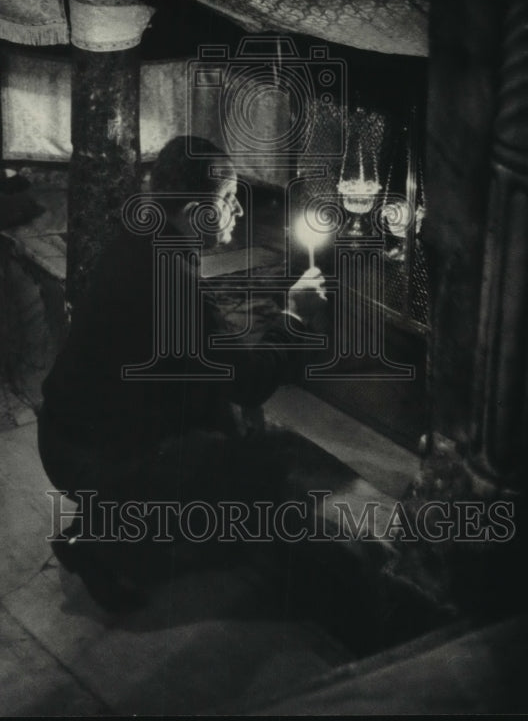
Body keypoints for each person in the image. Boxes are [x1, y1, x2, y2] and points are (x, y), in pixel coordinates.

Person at [37, 135, 328, 610]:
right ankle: (101, 544)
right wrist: (293, 318)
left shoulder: (138, 242)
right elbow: (249, 380)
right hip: (90, 456)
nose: (237, 211)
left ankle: (105, 521)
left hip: (63, 435)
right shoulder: (170, 281)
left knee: (223, 423)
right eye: (228, 200)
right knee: (270, 463)